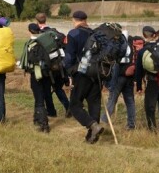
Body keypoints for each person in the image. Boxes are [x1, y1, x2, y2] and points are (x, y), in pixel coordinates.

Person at [63, 10, 104, 144]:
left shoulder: (73, 34)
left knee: (74, 105)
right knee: (94, 104)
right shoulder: (95, 34)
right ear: (86, 20)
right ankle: (91, 136)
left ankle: (92, 125)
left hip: (81, 73)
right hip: (97, 73)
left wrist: (69, 72)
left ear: (75, 20)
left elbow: (69, 56)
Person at [35, 12, 71, 118]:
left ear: (37, 22)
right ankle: (68, 107)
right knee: (58, 89)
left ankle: (51, 111)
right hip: (59, 66)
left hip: (47, 68)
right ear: (45, 20)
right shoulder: (56, 33)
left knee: (46, 90)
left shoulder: (40, 35)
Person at [23, 23, 53, 132]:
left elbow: (25, 62)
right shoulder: (47, 41)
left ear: (30, 31)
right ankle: (36, 118)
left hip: (36, 74)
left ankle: (44, 124)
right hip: (48, 73)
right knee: (42, 96)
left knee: (39, 99)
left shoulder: (30, 43)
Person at [134, 26, 159, 131]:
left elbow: (139, 71)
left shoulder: (142, 51)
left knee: (149, 106)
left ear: (144, 36)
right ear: (154, 35)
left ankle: (152, 128)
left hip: (152, 81)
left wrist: (139, 86)